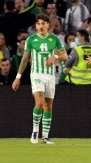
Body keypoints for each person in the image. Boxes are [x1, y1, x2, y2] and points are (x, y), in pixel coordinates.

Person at [11, 14, 68, 144]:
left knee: (48, 106)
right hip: (36, 74)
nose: (41, 26)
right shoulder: (31, 39)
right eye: (38, 24)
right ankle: (35, 131)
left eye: (43, 23)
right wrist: (17, 77)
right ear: (36, 26)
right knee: (40, 102)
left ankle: (45, 137)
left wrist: (56, 57)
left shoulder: (55, 39)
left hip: (50, 75)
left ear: (48, 25)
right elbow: (25, 59)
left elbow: (65, 56)